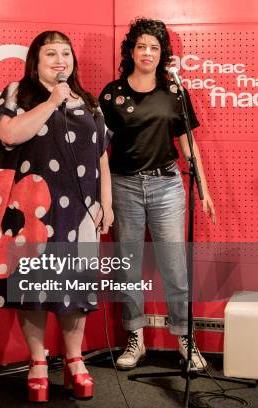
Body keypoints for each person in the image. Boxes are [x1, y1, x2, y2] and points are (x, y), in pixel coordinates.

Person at [0, 31, 113, 402]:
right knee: (34, 289)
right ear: (36, 61)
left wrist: (107, 203)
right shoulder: (17, 93)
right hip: (33, 211)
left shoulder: (90, 102)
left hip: (81, 214)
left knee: (76, 289)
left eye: (66, 53)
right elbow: (8, 134)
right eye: (51, 53)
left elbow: (101, 157)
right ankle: (37, 362)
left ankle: (75, 360)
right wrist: (52, 101)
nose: (60, 60)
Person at [98, 18, 217, 371]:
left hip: (167, 186)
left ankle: (185, 338)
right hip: (124, 187)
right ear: (130, 51)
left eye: (154, 47)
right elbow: (100, 150)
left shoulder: (175, 92)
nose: (147, 53)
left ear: (162, 53)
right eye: (141, 46)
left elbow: (188, 144)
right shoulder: (111, 93)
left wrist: (204, 191)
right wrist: (103, 199)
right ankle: (135, 339)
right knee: (128, 267)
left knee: (174, 268)